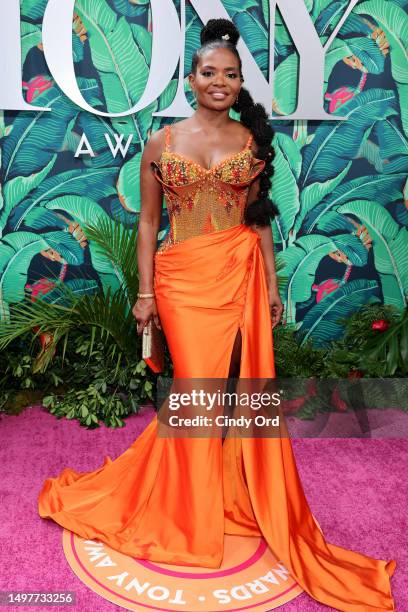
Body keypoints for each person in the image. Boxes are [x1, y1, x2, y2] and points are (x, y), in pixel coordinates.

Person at [38, 19, 396, 611]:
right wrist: (146, 292)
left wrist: (275, 285)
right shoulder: (162, 143)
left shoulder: (251, 142)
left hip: (240, 272)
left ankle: (226, 491)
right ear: (191, 79)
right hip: (181, 280)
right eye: (210, 73)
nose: (221, 82)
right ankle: (184, 513)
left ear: (239, 82)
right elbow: (148, 222)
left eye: (231, 74)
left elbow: (258, 220)